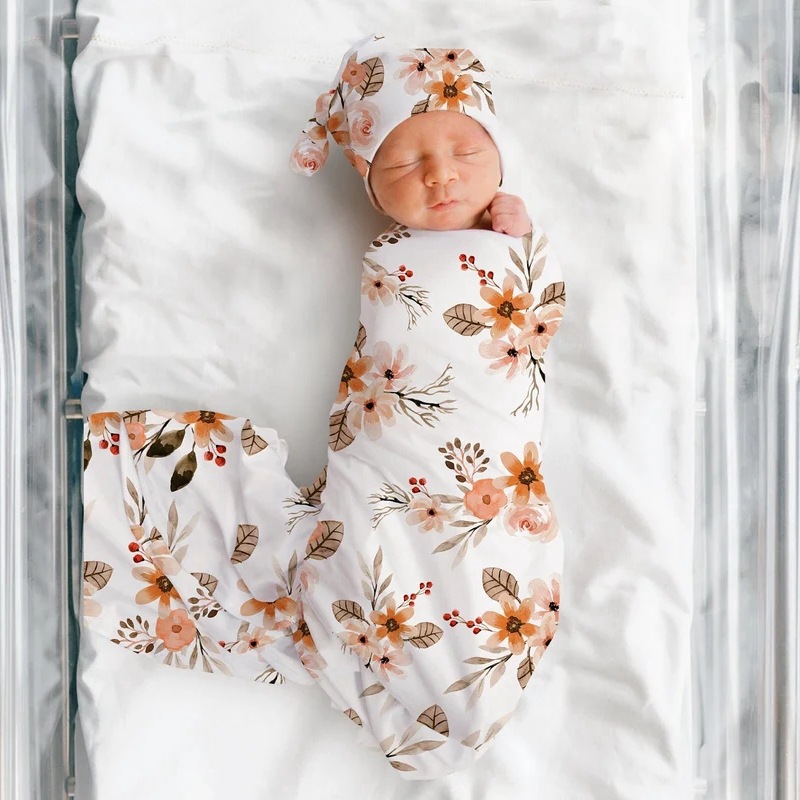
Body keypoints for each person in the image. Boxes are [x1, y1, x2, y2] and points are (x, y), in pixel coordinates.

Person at [81, 34, 567, 781]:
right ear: (371, 188)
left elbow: (529, 335)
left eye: (466, 152)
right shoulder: (393, 258)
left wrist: (522, 243)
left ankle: (432, 665)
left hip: (488, 474)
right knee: (367, 541)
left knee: (442, 553)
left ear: (500, 159)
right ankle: (409, 650)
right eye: (404, 164)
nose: (441, 175)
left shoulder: (512, 248)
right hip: (394, 463)